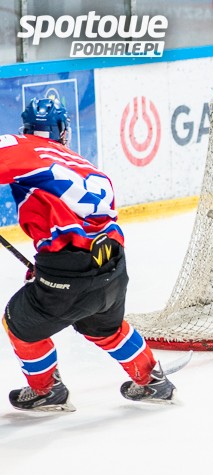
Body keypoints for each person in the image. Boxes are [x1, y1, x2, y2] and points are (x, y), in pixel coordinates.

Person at [0, 97, 178, 411]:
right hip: (113, 265)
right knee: (105, 327)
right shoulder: (82, 164)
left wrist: (59, 267)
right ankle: (152, 380)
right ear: (61, 130)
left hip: (70, 271)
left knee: (20, 323)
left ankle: (46, 390)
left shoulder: (20, 145)